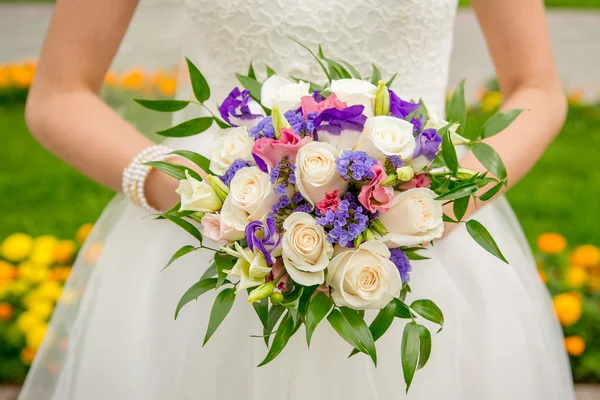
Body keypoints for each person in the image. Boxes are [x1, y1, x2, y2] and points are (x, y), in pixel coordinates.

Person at [19, 0, 574, 399]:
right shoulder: (209, 208)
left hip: (426, 244)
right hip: (221, 242)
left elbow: (538, 89)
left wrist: (447, 200)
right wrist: (196, 191)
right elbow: (59, 95)